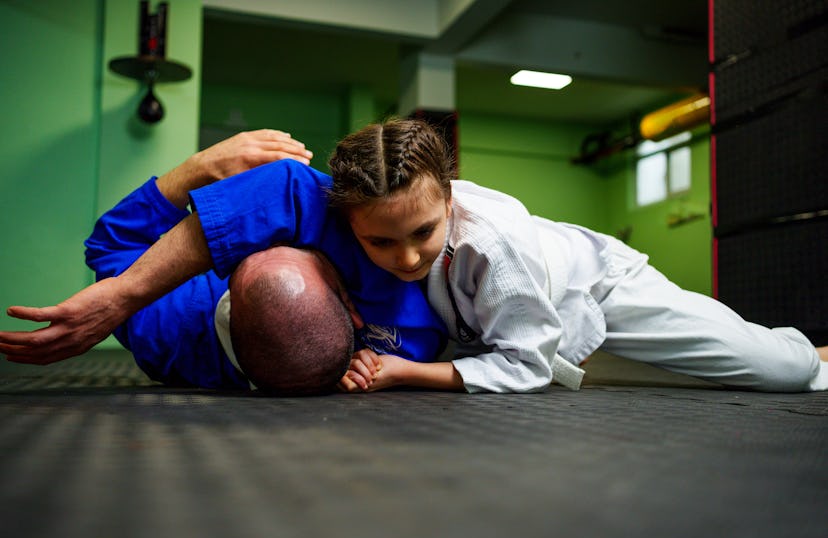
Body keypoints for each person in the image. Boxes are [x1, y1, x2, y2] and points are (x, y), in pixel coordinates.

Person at [328, 118, 827, 393]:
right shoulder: (352, 219)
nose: (409, 258)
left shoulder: (493, 246)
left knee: (780, 372)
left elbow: (528, 365)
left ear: (450, 199)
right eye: (382, 243)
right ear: (354, 226)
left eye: (424, 231)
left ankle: (815, 353)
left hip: (599, 285)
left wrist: (405, 372)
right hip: (509, 314)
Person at [0, 129, 447, 394]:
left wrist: (200, 166)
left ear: (229, 278)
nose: (406, 260)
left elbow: (111, 243)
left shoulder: (165, 331)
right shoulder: (407, 338)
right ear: (351, 307)